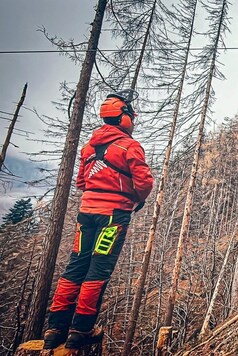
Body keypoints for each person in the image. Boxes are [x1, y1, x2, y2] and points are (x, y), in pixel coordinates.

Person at [43, 90, 154, 350]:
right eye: (130, 116)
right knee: (99, 269)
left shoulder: (89, 147)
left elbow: (82, 181)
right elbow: (145, 181)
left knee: (76, 266)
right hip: (113, 216)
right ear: (123, 118)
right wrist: (135, 198)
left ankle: (55, 327)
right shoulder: (130, 146)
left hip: (87, 215)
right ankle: (80, 329)